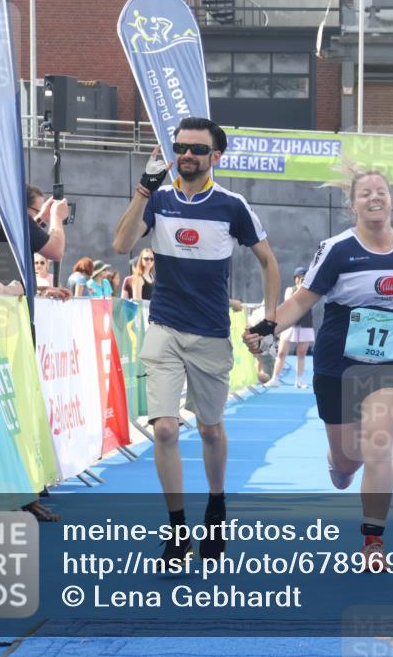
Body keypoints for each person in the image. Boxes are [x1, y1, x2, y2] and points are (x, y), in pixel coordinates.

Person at [245, 165, 393, 570]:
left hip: (391, 362)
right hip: (337, 363)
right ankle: (337, 463)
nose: (374, 198)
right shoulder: (337, 248)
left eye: (381, 191)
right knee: (347, 463)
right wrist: (268, 326)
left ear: (391, 199)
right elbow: (304, 300)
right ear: (352, 204)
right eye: (365, 194)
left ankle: (373, 540)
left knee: (379, 442)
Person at [113, 117, 280, 565]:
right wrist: (143, 189)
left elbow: (268, 262)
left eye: (197, 150)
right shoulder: (159, 198)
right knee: (164, 429)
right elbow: (120, 243)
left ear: (216, 158)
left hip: (210, 334)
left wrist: (269, 322)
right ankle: (176, 531)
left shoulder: (232, 205)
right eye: (180, 147)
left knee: (209, 429)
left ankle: (217, 505)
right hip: (164, 327)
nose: (186, 155)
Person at [266, 266, 316, 388]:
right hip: (290, 325)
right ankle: (275, 379)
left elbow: (309, 304)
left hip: (305, 325)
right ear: (296, 279)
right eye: (300, 278)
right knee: (282, 353)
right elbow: (290, 302)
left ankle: (299, 380)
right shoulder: (290, 289)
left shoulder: (311, 290)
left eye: (304, 278)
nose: (302, 280)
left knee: (301, 353)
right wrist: (299, 290)